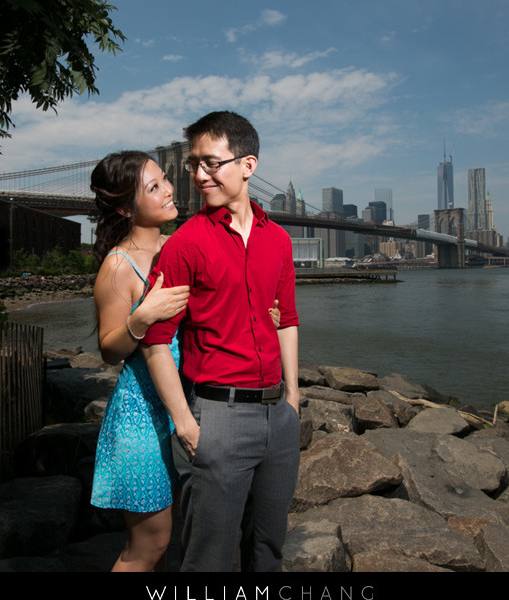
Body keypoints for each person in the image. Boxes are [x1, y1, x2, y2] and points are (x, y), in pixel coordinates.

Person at [141, 111, 301, 572]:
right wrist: (186, 423)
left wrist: (292, 395)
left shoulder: (280, 242)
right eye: (193, 164)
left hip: (279, 417)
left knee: (268, 549)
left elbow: (287, 319)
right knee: (206, 561)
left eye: (210, 163)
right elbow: (156, 342)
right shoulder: (184, 245)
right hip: (218, 417)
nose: (197, 175)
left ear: (247, 165)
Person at [88, 150, 190, 572]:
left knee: (167, 547)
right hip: (141, 419)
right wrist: (141, 318)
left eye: (164, 178)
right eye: (154, 187)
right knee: (149, 545)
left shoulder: (180, 245)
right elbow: (110, 351)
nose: (169, 189)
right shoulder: (118, 266)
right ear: (125, 208)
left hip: (184, 404)